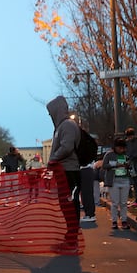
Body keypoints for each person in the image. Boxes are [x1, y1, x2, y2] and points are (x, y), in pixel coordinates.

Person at [46, 95, 81, 248]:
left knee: (69, 204)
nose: (50, 116)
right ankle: (70, 236)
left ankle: (72, 238)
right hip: (64, 171)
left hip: (69, 171)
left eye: (51, 112)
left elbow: (67, 147)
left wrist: (53, 158)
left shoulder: (66, 125)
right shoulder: (61, 127)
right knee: (66, 205)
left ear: (57, 111)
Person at [102, 137, 132, 230]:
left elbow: (131, 166)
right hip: (114, 181)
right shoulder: (109, 155)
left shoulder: (126, 155)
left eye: (123, 148)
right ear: (115, 147)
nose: (121, 150)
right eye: (119, 148)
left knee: (123, 203)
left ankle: (124, 221)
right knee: (115, 203)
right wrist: (115, 165)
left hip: (125, 180)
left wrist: (128, 166)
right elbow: (104, 166)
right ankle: (114, 221)